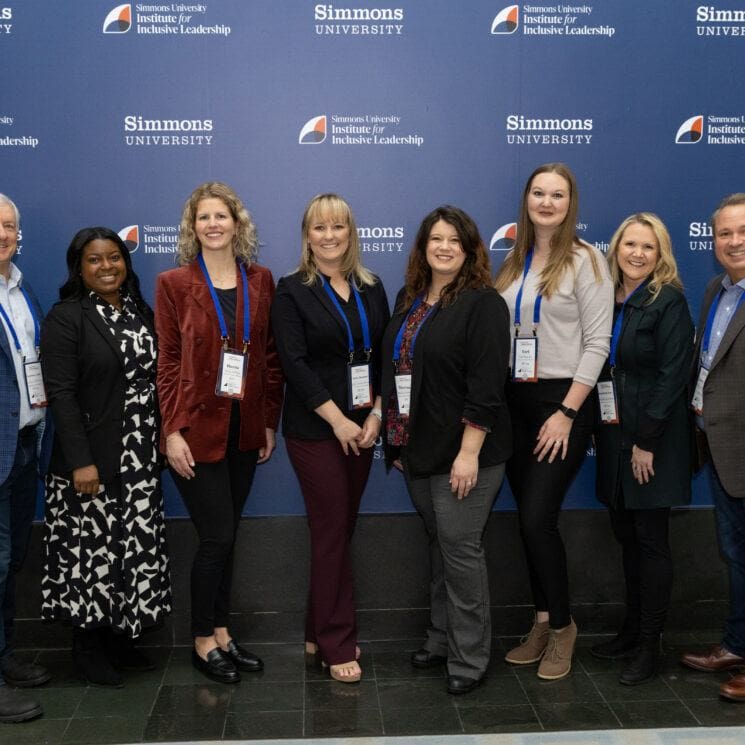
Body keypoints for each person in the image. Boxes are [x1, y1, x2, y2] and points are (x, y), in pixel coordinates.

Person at [155, 182, 283, 685]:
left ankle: (223, 633)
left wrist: (268, 420)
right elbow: (166, 362)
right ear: (193, 227)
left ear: (237, 224)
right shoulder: (172, 283)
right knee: (216, 537)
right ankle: (201, 639)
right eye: (203, 217)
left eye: (221, 216)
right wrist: (172, 431)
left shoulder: (261, 279)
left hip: (245, 431)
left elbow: (270, 358)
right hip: (196, 429)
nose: (213, 224)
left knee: (226, 539)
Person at [381, 206, 511, 695]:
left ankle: (470, 657)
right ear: (423, 247)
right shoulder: (409, 297)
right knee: (441, 546)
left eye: (454, 240)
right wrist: (395, 436)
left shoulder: (483, 303)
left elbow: (487, 386)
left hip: (465, 451)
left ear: (470, 248)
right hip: (417, 447)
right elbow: (394, 369)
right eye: (435, 238)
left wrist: (469, 451)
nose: (444, 247)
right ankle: (440, 639)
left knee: (460, 551)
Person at [494, 163, 613, 680]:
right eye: (538, 193)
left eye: (557, 194)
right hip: (513, 403)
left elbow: (598, 343)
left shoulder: (587, 261)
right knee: (527, 518)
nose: (546, 202)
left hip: (561, 403)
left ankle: (563, 628)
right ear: (526, 200)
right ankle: (542, 620)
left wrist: (567, 411)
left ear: (570, 203)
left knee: (536, 518)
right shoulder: (513, 261)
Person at [40, 227, 171, 688]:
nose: (107, 267)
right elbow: (62, 394)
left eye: (114, 258)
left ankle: (121, 638)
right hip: (92, 459)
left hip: (138, 456)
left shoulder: (139, 311)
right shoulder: (66, 317)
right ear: (79, 267)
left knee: (131, 549)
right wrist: (81, 461)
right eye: (94, 260)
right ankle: (88, 648)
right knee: (89, 553)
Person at [271, 193, 389, 684]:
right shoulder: (291, 290)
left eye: (337, 226)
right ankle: (336, 642)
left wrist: (378, 413)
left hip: (365, 426)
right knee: (331, 530)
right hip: (317, 430)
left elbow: (385, 354)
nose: (329, 236)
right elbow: (293, 365)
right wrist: (338, 420)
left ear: (350, 232)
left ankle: (316, 628)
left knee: (339, 531)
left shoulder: (372, 286)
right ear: (306, 236)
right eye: (319, 228)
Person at [592, 213, 693, 685]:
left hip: (652, 442)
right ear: (615, 249)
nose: (636, 253)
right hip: (614, 437)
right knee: (627, 538)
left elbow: (674, 376)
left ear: (660, 256)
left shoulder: (667, 300)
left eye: (647, 247)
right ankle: (632, 631)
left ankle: (651, 644)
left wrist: (646, 442)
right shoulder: (607, 299)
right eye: (629, 244)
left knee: (651, 543)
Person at [680, 193, 745, 702]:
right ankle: (738, 643)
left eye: (743, 231)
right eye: (725, 233)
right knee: (736, 554)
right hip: (720, 446)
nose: (734, 241)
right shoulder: (715, 290)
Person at [0, 194, 50, 722]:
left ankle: (5, 655)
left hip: (23, 447)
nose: (3, 234)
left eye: (10, 225)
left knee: (10, 562)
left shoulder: (21, 287)